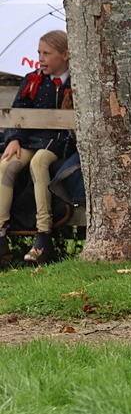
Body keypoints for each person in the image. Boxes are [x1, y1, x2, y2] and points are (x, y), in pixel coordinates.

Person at [0, 30, 74, 263]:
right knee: (7, 164)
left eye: (47, 53)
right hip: (31, 138)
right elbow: (18, 112)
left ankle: (43, 234)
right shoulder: (33, 80)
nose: (40, 58)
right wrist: (13, 138)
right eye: (39, 53)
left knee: (39, 162)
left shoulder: (77, 82)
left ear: (65, 55)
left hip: (60, 141)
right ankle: (1, 233)